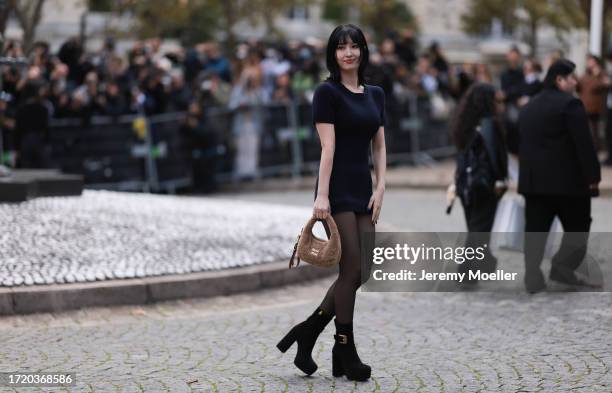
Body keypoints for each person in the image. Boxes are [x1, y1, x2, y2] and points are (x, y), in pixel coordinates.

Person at [276, 24, 386, 382]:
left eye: (354, 46)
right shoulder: (327, 93)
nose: (349, 52)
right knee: (350, 269)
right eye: (341, 47)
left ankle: (307, 332)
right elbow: (329, 147)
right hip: (337, 190)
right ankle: (346, 349)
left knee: (363, 270)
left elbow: (379, 145)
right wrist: (321, 196)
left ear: (363, 51)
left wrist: (382, 186)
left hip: (364, 189)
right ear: (333, 54)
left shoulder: (376, 94)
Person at [518, 59, 601, 293]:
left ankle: (532, 278)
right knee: (578, 228)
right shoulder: (571, 105)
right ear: (559, 80)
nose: (576, 82)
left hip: (534, 184)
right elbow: (584, 145)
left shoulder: (529, 106)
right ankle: (562, 268)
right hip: (569, 184)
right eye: (572, 78)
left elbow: (518, 142)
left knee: (535, 231)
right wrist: (593, 177)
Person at [452, 83, 508, 284]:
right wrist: (501, 179)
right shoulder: (490, 123)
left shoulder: (463, 123)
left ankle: (481, 265)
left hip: (465, 184)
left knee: (476, 229)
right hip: (484, 184)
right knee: (479, 230)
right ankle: (467, 272)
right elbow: (495, 155)